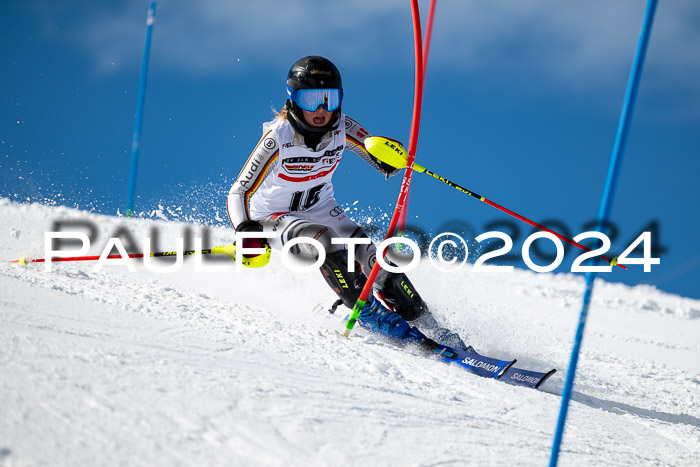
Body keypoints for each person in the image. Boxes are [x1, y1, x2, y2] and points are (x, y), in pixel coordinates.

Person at [227, 55, 465, 349]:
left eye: (329, 98)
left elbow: (376, 154)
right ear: (294, 99)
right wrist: (244, 229)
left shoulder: (342, 126)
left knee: (379, 265)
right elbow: (239, 191)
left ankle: (432, 328)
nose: (322, 109)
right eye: (312, 99)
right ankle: (369, 315)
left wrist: (391, 159)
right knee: (322, 241)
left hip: (322, 210)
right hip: (276, 217)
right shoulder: (279, 137)